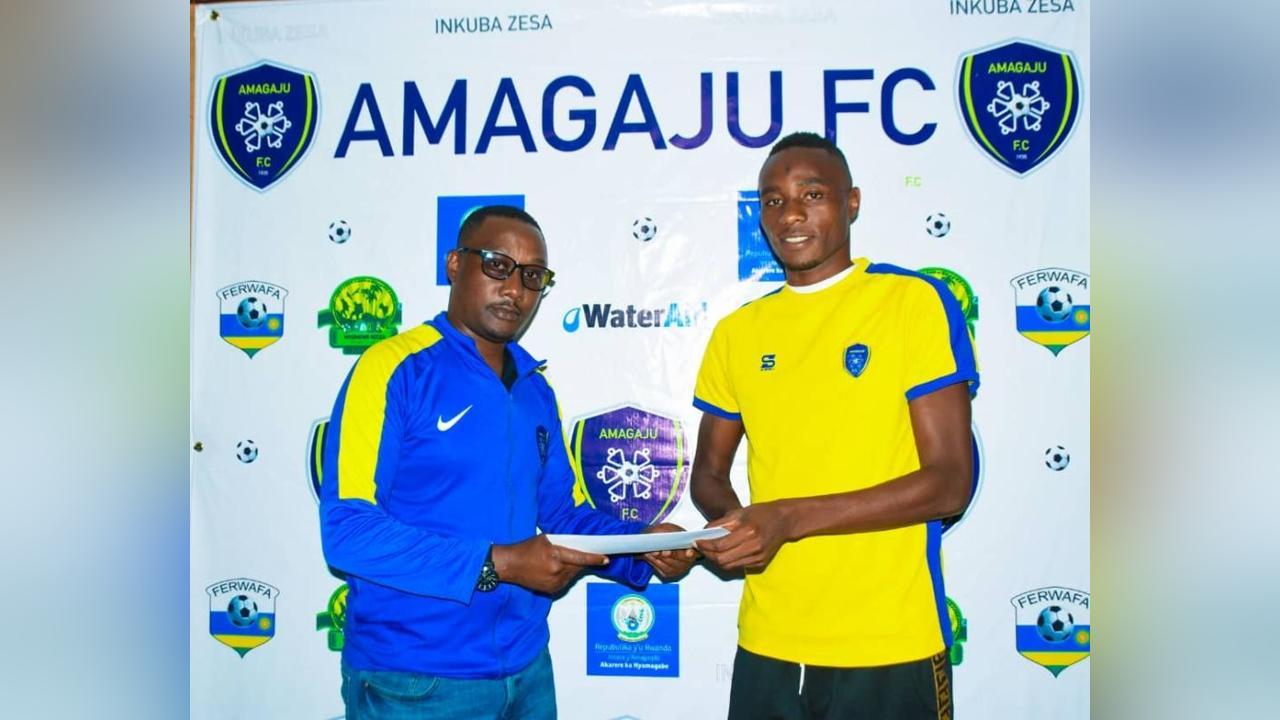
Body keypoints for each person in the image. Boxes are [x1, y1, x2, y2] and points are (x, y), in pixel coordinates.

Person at [319, 205, 696, 720]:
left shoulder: (536, 389)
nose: (516, 289)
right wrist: (500, 563)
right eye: (498, 265)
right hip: (414, 679)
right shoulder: (394, 369)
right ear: (455, 264)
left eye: (533, 276)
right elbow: (348, 532)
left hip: (526, 670)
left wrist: (645, 548)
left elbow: (562, 516)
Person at [690, 132, 978, 720]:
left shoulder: (912, 301)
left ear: (852, 202)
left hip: (890, 641)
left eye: (812, 194)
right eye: (773, 200)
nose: (790, 213)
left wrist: (788, 518)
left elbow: (950, 483)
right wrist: (734, 530)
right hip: (769, 641)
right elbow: (709, 476)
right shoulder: (737, 333)